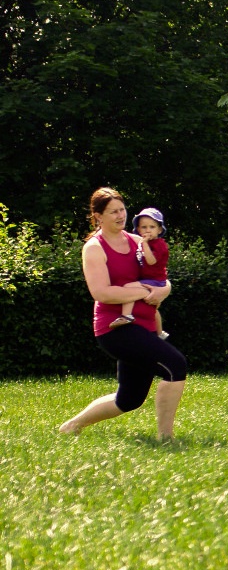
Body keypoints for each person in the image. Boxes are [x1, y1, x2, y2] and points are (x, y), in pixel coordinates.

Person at [58, 188, 187, 441]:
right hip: (115, 329)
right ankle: (166, 437)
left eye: (122, 209)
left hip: (146, 324)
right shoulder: (95, 248)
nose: (120, 215)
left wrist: (166, 290)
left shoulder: (137, 240)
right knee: (175, 365)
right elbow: (101, 293)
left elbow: (158, 275)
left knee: (129, 400)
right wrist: (141, 293)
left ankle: (71, 425)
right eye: (113, 211)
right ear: (98, 216)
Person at [111, 207, 170, 339]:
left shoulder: (159, 244)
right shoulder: (145, 243)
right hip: (149, 279)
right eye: (143, 227)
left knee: (128, 288)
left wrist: (144, 244)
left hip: (155, 281)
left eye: (152, 227)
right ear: (138, 229)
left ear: (159, 230)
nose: (147, 230)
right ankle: (160, 333)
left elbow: (151, 261)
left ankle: (126, 315)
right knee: (153, 309)